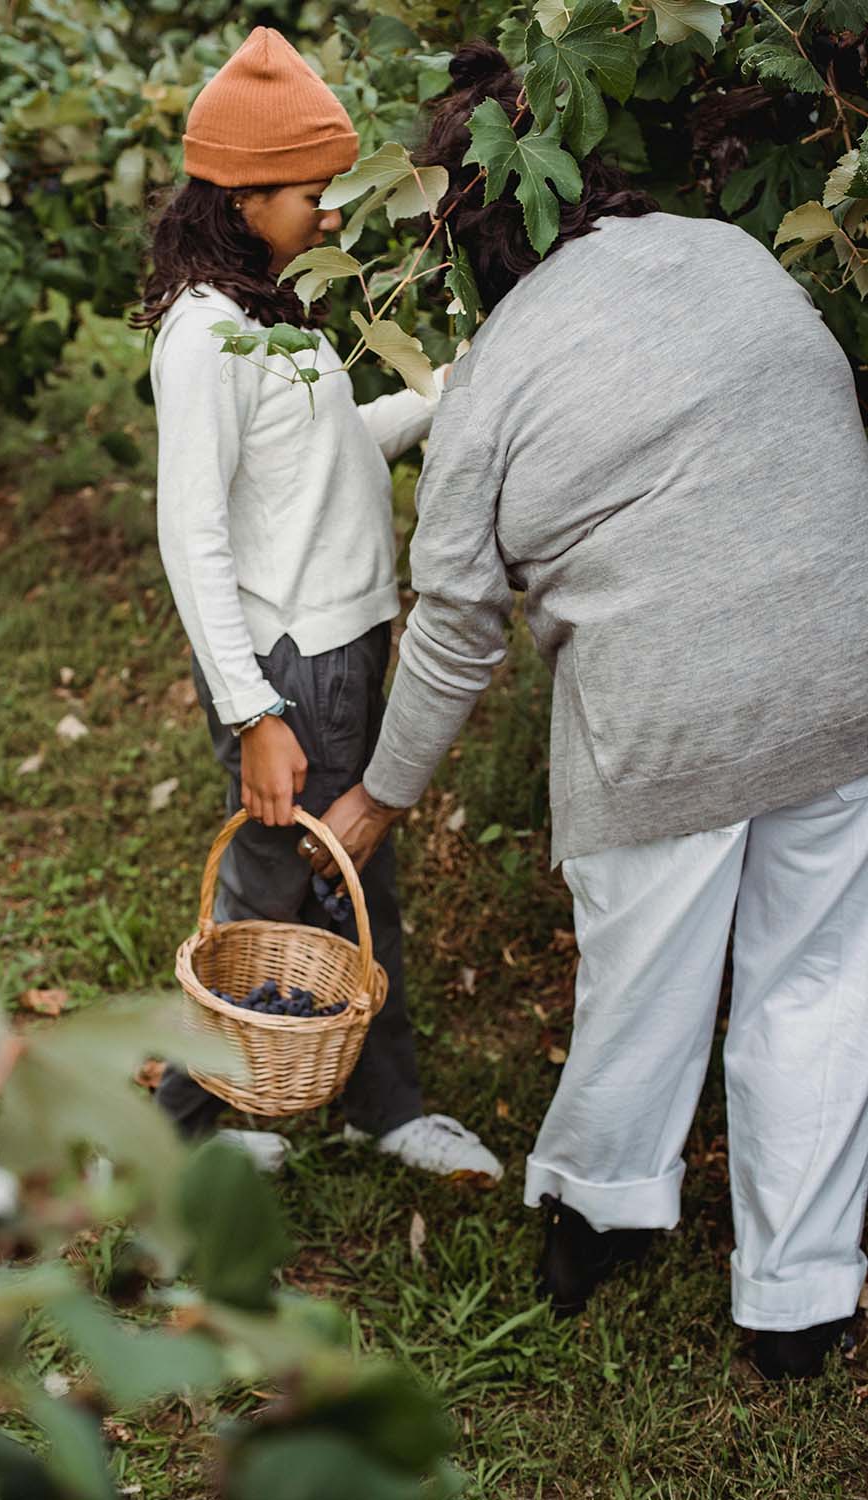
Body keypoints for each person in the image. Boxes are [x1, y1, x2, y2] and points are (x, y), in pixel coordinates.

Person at [306, 41, 868, 1378]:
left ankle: (597, 1219)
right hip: (845, 670)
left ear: (464, 245)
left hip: (666, 716)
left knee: (646, 987)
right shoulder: (728, 251)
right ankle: (798, 1302)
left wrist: (380, 796)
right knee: (820, 984)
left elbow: (453, 628)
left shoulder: (499, 368)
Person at [137, 27, 501, 1183]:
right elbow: (190, 536)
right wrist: (255, 712)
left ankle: (368, 1099)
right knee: (275, 889)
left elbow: (328, 453)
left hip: (344, 641)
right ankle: (180, 1145)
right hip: (292, 663)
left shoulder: (278, 313)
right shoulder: (205, 337)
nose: (334, 214)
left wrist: (443, 399)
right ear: (243, 199)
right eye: (313, 193)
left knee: (352, 882)